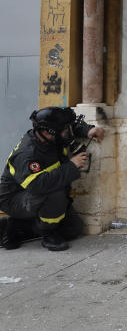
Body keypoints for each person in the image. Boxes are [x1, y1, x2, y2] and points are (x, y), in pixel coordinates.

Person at [0, 107, 105, 251]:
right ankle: (47, 232)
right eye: (64, 130)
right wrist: (72, 166)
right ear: (46, 133)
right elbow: (38, 185)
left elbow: (70, 125)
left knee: (73, 229)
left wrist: (88, 130)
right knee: (55, 191)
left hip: (34, 194)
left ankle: (18, 226)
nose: (68, 133)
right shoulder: (27, 154)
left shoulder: (50, 136)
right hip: (14, 199)